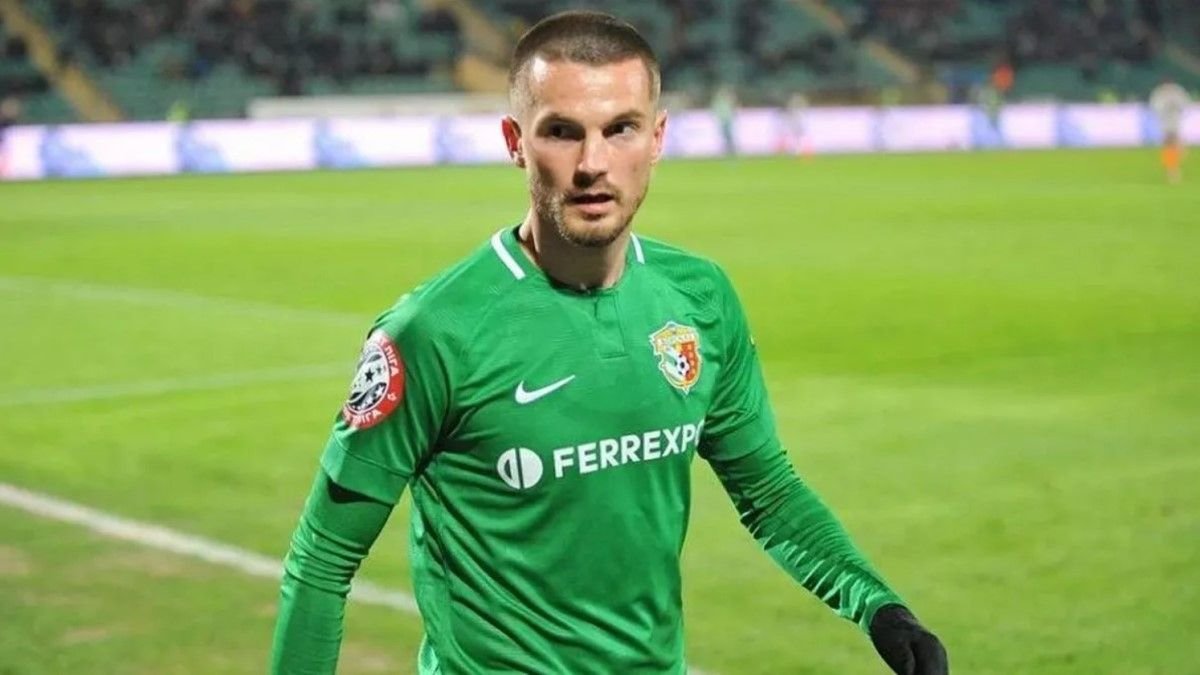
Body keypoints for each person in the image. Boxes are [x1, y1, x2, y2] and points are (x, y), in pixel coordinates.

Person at [270, 10, 949, 675]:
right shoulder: (432, 332)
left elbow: (768, 491)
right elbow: (324, 558)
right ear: (515, 141)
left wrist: (878, 606)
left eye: (620, 129)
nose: (593, 164)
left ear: (657, 137)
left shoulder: (700, 298)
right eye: (562, 132)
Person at [1149, 77, 1191, 184]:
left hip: (1175, 119)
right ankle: (1172, 168)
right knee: (1168, 143)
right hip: (1164, 121)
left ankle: (1173, 167)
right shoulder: (1159, 93)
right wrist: (1164, 107)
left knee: (1172, 142)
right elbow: (1155, 106)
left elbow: (1184, 103)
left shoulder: (1177, 91)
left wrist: (1175, 106)